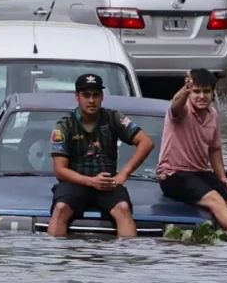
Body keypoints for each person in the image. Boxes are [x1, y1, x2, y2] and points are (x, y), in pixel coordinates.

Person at [156, 68, 227, 241]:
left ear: (213, 93)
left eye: (206, 91)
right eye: (196, 91)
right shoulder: (181, 111)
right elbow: (175, 103)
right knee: (215, 200)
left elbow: (214, 149)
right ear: (189, 92)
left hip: (200, 172)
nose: (201, 96)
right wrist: (185, 89)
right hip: (173, 174)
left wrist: (221, 176)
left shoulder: (213, 116)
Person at [48, 73, 156, 237]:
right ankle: (53, 259)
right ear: (77, 97)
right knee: (60, 209)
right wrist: (91, 181)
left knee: (123, 209)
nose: (91, 100)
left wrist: (124, 173)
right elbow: (60, 170)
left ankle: (126, 258)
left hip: (107, 183)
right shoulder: (64, 126)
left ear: (102, 97)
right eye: (86, 95)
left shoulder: (113, 118)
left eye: (96, 95)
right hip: (75, 183)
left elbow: (146, 142)